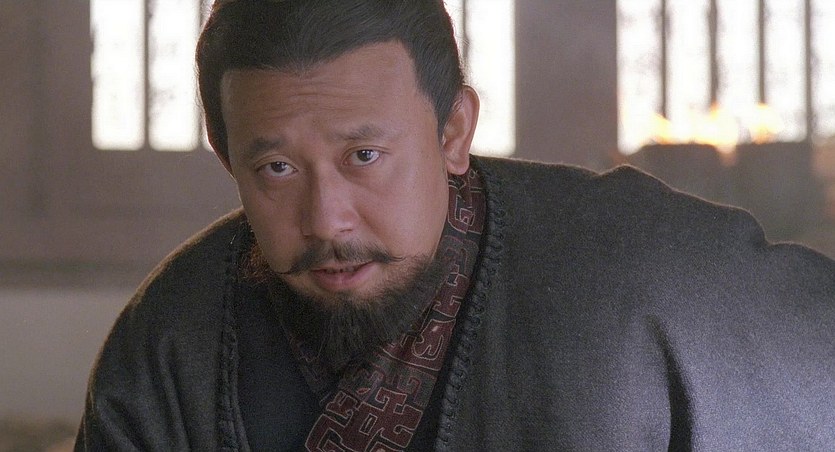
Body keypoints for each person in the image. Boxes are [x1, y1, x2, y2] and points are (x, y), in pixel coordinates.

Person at [75, 0, 835, 450]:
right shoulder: (174, 337)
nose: (326, 217)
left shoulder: (641, 263)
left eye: (364, 156)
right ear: (228, 158)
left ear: (452, 131)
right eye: (276, 168)